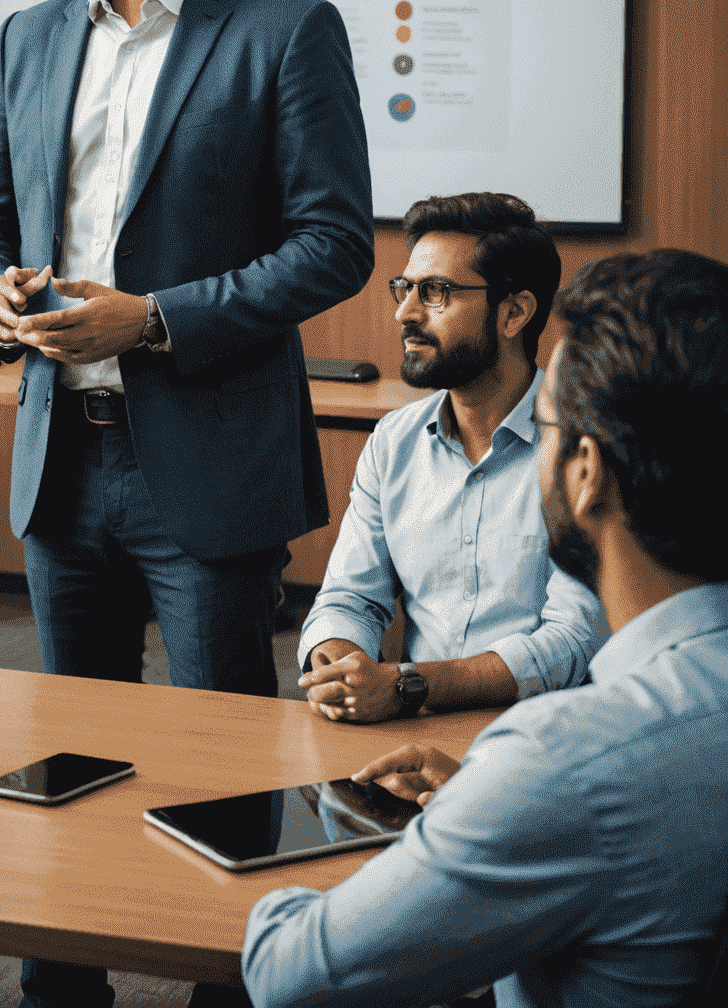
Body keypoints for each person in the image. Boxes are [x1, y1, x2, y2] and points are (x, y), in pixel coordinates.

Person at [0, 0, 374, 1008]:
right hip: (60, 452)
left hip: (206, 454)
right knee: (62, 757)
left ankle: (225, 987)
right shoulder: (29, 35)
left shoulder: (287, 27)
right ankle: (58, 986)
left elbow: (334, 242)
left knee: (221, 772)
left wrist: (154, 323)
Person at [243, 248, 728, 1007]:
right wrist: (487, 803)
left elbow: (289, 976)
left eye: (547, 427)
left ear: (586, 471)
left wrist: (396, 864)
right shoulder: (563, 769)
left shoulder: (562, 760)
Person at [297, 193, 605, 723]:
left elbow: (572, 640)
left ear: (513, 313)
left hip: (541, 740)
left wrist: (408, 686)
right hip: (409, 724)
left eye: (435, 292)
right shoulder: (395, 441)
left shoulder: (581, 451)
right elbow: (350, 597)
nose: (405, 312)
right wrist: (339, 666)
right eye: (405, 288)